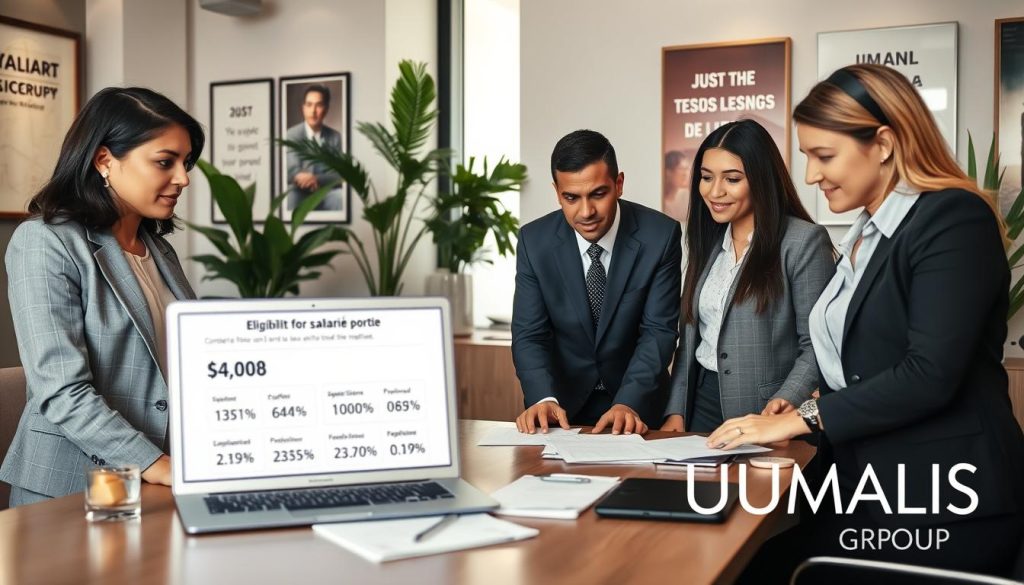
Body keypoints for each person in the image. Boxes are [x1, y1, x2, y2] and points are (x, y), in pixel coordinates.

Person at [709, 64, 1024, 579]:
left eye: (824, 156)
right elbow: (863, 365)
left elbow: (928, 374)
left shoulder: (952, 218)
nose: (810, 175)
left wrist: (798, 420)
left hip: (946, 494)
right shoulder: (864, 233)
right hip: (869, 481)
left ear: (882, 143)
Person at [0, 87, 204, 506]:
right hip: (74, 486)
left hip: (157, 480)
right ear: (104, 160)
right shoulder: (43, 241)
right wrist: (156, 464)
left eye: (186, 163)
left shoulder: (157, 249)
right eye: (166, 162)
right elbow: (60, 391)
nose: (183, 178)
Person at [661, 119, 835, 433]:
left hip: (764, 412)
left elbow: (818, 345)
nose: (715, 191)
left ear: (760, 179)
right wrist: (676, 410)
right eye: (706, 177)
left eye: (732, 179)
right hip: (699, 404)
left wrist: (785, 403)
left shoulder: (803, 242)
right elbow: (689, 339)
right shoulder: (709, 241)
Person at [512, 129, 682, 435]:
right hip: (559, 411)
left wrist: (629, 402)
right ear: (557, 192)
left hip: (637, 405)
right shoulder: (533, 242)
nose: (586, 211)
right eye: (571, 198)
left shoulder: (661, 236)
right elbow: (529, 334)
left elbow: (658, 332)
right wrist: (542, 396)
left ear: (618, 184)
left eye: (598, 194)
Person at [285, 84, 343, 212]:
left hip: (326, 192)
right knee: (290, 198)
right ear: (303, 108)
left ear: (326, 109)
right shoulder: (291, 134)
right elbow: (292, 170)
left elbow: (341, 175)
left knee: (341, 198)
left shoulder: (335, 137)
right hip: (299, 191)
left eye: (319, 105)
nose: (313, 111)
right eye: (309, 105)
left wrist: (316, 179)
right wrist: (300, 177)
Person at [662, 150, 691, 221]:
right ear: (668, 172)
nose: (685, 173)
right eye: (681, 169)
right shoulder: (660, 198)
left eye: (686, 169)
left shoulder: (687, 195)